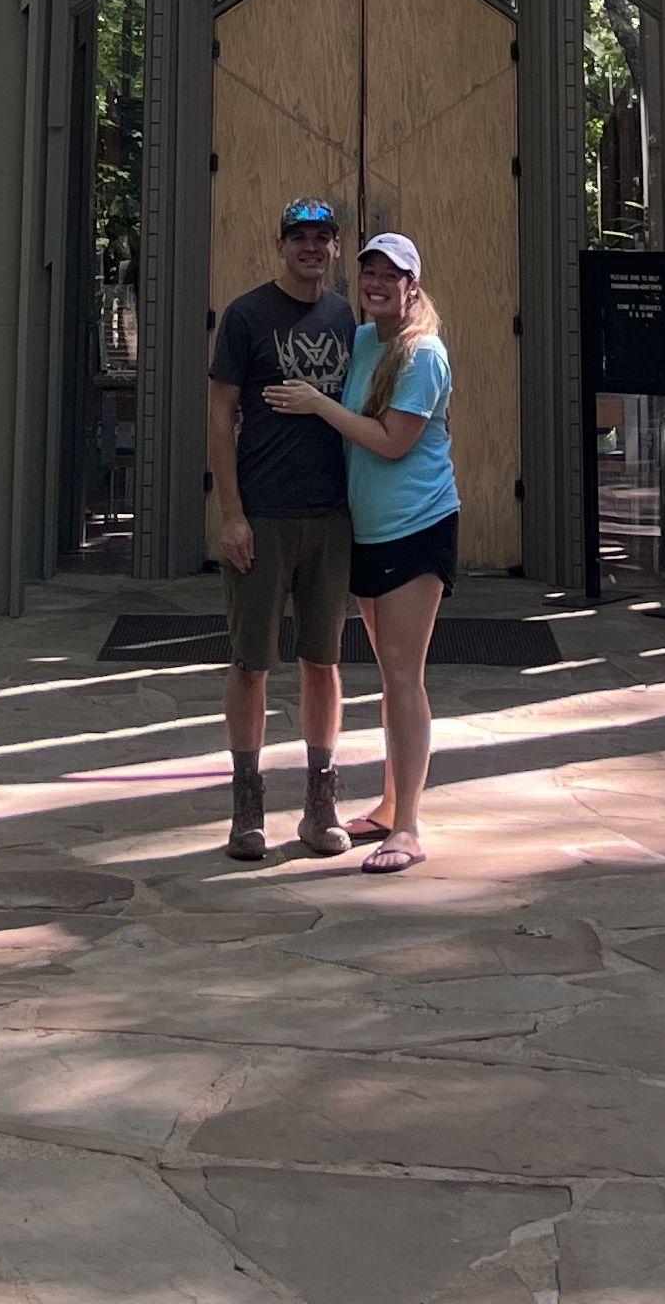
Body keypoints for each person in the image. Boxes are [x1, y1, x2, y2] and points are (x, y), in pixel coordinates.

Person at [270, 228, 453, 876]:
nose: (376, 283)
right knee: (388, 676)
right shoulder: (363, 339)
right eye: (369, 272)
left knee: (405, 677)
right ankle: (389, 803)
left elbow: (390, 441)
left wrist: (317, 404)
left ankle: (408, 828)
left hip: (416, 530)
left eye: (391, 275)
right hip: (368, 530)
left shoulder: (422, 354)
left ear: (412, 285)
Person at [205, 195, 357, 862]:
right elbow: (220, 414)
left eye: (322, 238)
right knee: (251, 661)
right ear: (281, 245)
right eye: (299, 237)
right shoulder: (245, 316)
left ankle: (319, 804)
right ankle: (247, 807)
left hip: (329, 514)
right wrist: (231, 512)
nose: (311, 248)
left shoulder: (346, 316)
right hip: (262, 514)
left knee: (323, 661)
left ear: (333, 249)